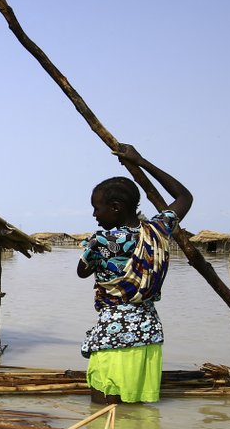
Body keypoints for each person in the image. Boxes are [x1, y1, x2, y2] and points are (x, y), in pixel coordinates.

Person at [77, 144, 192, 404]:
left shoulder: (100, 241)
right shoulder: (157, 231)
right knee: (139, 412)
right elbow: (184, 197)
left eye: (97, 208)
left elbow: (82, 272)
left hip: (114, 336)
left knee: (104, 410)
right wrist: (141, 161)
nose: (95, 214)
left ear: (115, 207)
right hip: (148, 333)